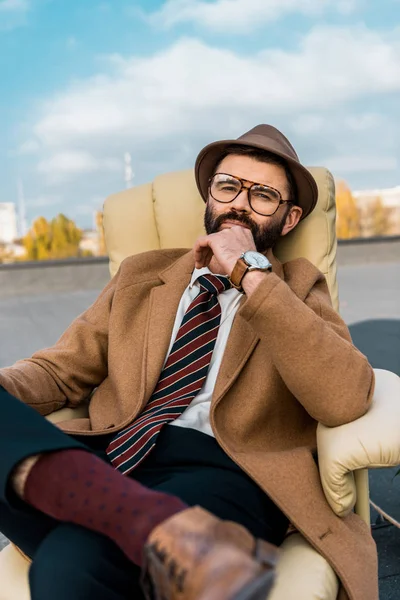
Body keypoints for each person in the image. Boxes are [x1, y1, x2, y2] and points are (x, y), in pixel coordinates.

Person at [0, 124, 377, 600]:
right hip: (112, 456)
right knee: (75, 554)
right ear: (209, 199)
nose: (239, 203)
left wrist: (251, 275)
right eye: (228, 187)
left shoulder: (298, 288)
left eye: (262, 195)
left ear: (288, 219)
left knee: (69, 563)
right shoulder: (142, 274)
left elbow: (344, 398)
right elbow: (58, 370)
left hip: (223, 470)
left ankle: (139, 526)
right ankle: (148, 523)